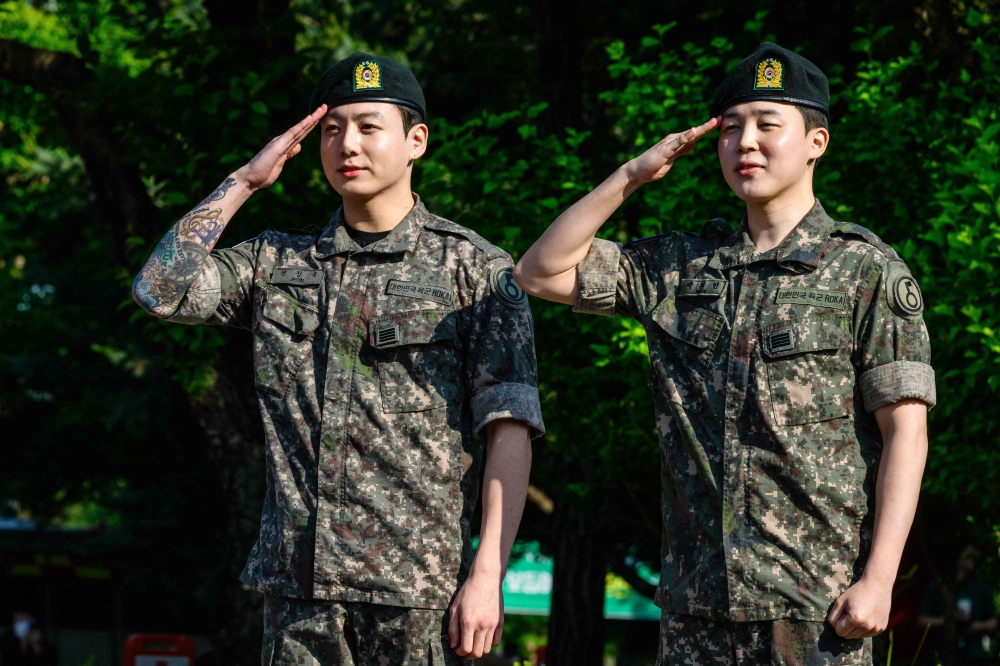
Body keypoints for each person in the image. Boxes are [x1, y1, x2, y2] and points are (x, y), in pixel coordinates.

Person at [514, 42, 934, 665]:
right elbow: (541, 271)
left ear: (817, 141)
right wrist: (630, 175)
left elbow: (906, 431)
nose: (745, 143)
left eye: (768, 125)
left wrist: (879, 579)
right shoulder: (681, 268)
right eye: (731, 128)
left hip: (815, 608)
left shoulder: (864, 271)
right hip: (695, 609)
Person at [132, 52, 545, 665]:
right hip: (300, 597)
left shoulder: (477, 271)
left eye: (368, 126)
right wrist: (244, 181)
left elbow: (509, 427)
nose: (347, 144)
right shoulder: (277, 263)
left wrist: (489, 576)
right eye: (332, 129)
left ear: (416, 142)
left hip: (421, 599)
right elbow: (159, 291)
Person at [919, 545, 998, 664]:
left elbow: (994, 622)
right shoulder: (938, 586)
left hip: (975, 656)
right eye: (969, 553)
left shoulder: (981, 588)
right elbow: (922, 621)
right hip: (942, 653)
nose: (972, 557)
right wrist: (950, 619)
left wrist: (978, 626)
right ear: (958, 555)